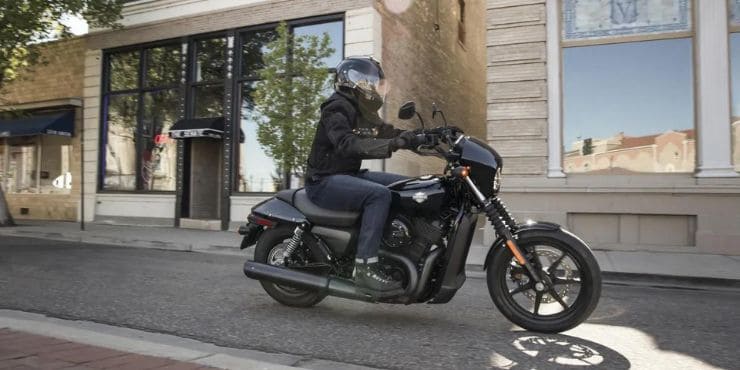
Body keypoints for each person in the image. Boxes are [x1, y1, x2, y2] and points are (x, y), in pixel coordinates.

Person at [305, 57, 425, 292]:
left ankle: (393, 247)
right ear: (355, 81)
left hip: (348, 175)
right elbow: (346, 143)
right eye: (371, 83)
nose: (376, 88)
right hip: (323, 181)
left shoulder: (363, 112)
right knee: (378, 195)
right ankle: (364, 267)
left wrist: (422, 137)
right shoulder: (336, 107)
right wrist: (393, 144)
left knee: (406, 185)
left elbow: (387, 132)